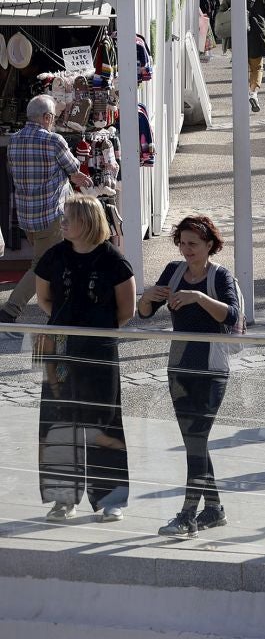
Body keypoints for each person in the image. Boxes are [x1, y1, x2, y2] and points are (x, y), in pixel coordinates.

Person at [139, 215, 242, 538]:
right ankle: (213, 509)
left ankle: (187, 515)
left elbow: (231, 315)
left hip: (212, 369)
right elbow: (143, 314)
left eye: (193, 244)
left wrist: (198, 297)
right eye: (182, 243)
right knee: (193, 443)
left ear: (210, 245)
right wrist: (148, 297)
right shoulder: (174, 270)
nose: (186, 249)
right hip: (179, 366)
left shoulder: (220, 276)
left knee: (196, 441)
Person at [35, 193, 134, 521]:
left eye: (69, 217)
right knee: (60, 420)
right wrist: (66, 329)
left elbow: (127, 311)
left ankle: (110, 499)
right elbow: (44, 299)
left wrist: (95, 333)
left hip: (99, 353)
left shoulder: (113, 261)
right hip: (61, 352)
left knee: (102, 421)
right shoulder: (53, 256)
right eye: (63, 217)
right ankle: (63, 498)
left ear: (88, 222)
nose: (62, 222)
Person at [2, 94, 95, 323]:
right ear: (46, 117)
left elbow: (12, 172)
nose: (53, 121)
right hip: (51, 216)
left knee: (60, 261)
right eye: (53, 117)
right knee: (42, 265)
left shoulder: (13, 140)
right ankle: (11, 310)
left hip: (26, 217)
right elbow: (73, 167)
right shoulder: (53, 141)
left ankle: (65, 307)